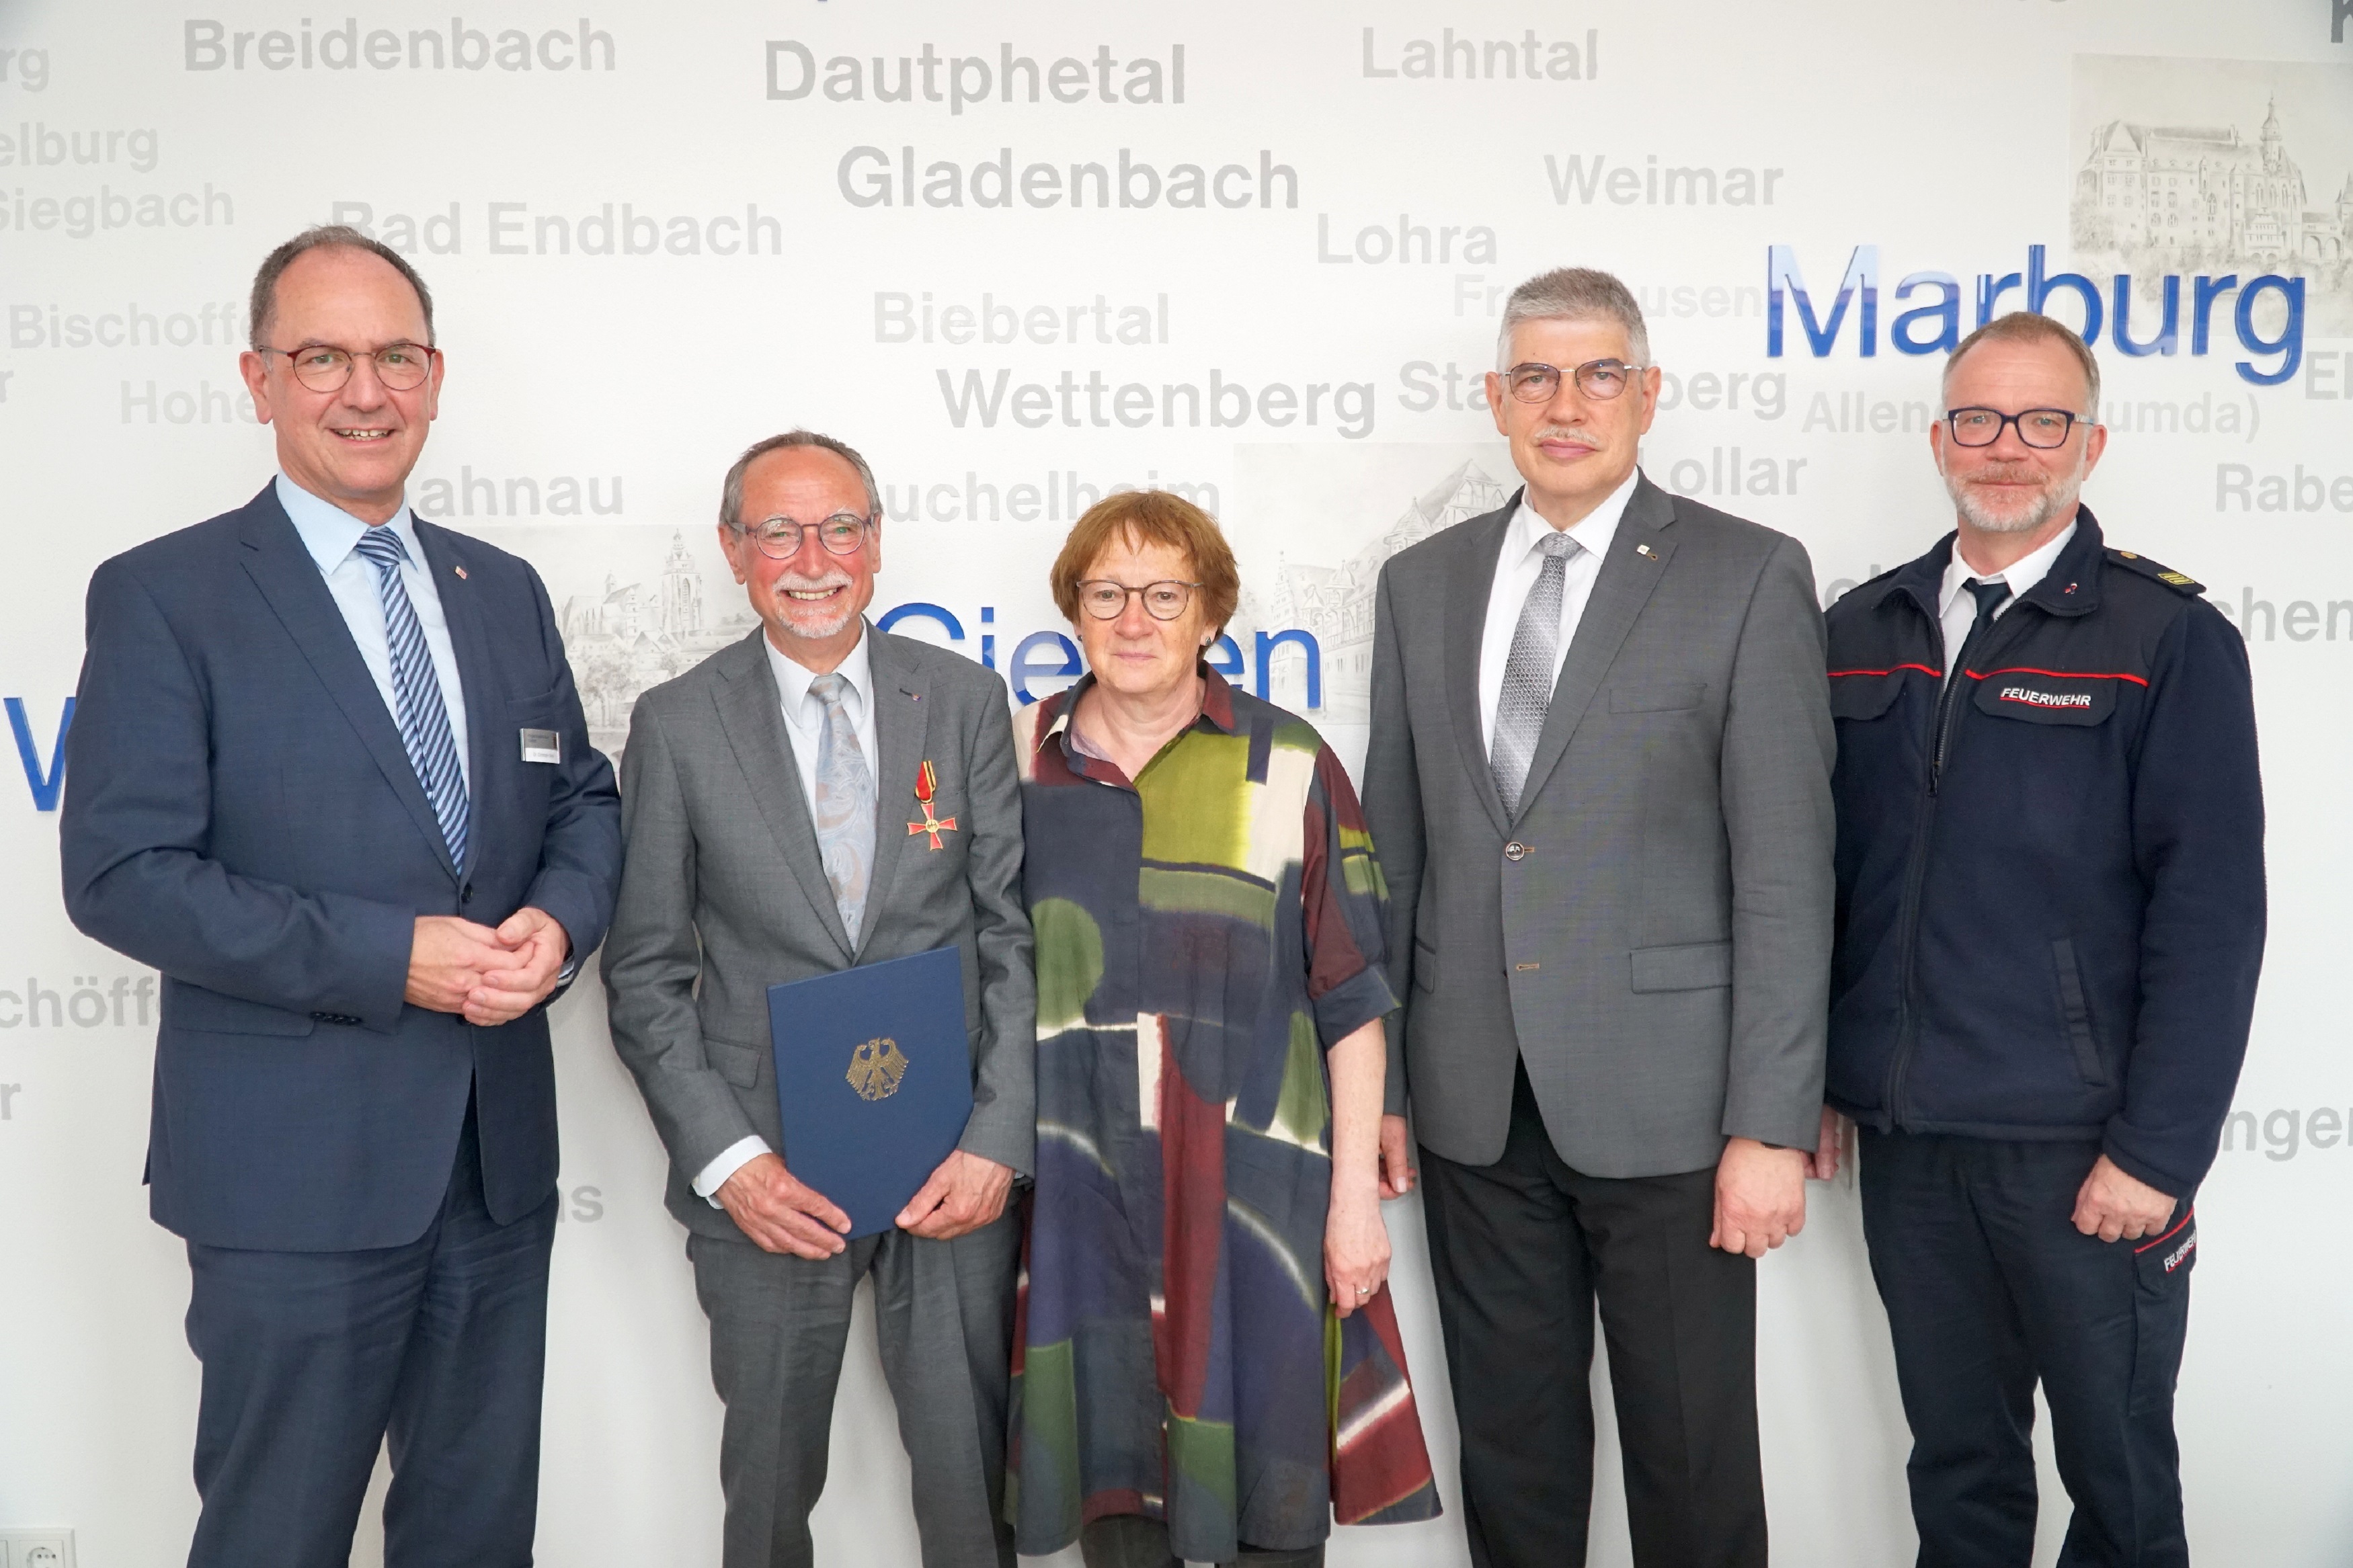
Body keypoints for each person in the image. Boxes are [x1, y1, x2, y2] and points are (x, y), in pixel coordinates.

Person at [58, 225, 623, 1567]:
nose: (364, 391)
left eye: (395, 357)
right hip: (292, 1186)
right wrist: (395, 958)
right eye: (322, 357)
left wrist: (558, 923)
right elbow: (124, 875)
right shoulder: (164, 596)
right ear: (259, 379)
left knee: (476, 1536)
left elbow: (584, 801)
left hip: (494, 1171)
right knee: (277, 1536)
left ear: (435, 376)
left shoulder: (505, 591)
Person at [1359, 266, 1837, 1568]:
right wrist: (1388, 1087)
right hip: (1473, 1104)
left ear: (1647, 392)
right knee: (1512, 1466)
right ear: (1495, 399)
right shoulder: (1420, 584)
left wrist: (1769, 1124)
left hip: (1676, 1114)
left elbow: (1786, 873)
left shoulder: (1745, 576)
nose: (1565, 405)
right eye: (1535, 377)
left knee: (1692, 1471)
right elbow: (1391, 854)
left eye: (1597, 375)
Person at [1819, 311, 2264, 1567]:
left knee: (2119, 1492)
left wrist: (2157, 1155)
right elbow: (1824, 879)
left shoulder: (2167, 640)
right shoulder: (1865, 629)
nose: (2007, 447)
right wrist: (1814, 1077)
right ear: (1939, 438)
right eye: (1979, 418)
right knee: (1958, 1478)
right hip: (1912, 1145)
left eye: (2042, 420)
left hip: (2089, 1158)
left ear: (2091, 440)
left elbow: (2215, 918)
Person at [600, 431, 1033, 1568]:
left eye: (840, 526)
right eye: (780, 530)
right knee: (770, 1492)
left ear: (877, 542)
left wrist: (997, 1137)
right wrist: (729, 1161)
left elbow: (1007, 932)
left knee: (967, 1490)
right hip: (768, 1178)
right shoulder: (678, 722)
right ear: (734, 549)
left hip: (948, 1167)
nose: (813, 557)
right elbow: (644, 969)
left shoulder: (964, 698)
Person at [1008, 491, 1441, 1568]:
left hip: (1256, 1206)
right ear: (1074, 610)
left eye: (1165, 593)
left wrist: (1353, 1207)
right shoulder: (1022, 765)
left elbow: (1351, 998)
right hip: (1080, 1202)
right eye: (1105, 593)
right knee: (1116, 1509)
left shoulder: (1291, 763)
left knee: (1271, 1517)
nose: (1134, 619)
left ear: (1210, 614)